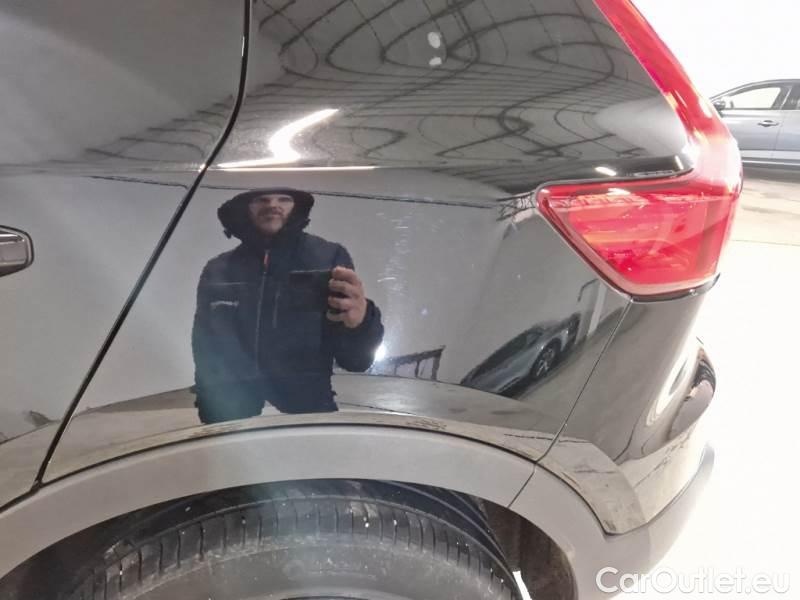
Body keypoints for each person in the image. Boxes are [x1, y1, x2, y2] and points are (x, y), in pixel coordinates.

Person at [191, 187, 384, 423]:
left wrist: (361, 323)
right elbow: (204, 342)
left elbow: (356, 361)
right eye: (261, 199)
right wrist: (208, 399)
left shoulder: (328, 257)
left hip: (306, 409)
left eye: (284, 199)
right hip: (229, 411)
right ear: (246, 207)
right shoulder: (218, 269)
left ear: (297, 207)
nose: (273, 205)